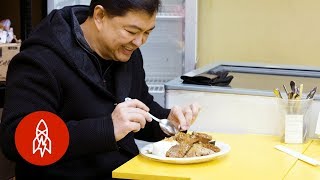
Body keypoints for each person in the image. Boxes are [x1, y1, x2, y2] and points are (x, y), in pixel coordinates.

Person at [0, 0, 200, 179]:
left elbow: (141, 107)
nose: (139, 42)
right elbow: (17, 140)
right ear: (99, 16)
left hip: (125, 171)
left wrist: (167, 122)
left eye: (147, 32)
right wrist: (107, 129)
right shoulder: (39, 60)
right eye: (131, 32)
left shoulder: (128, 54)